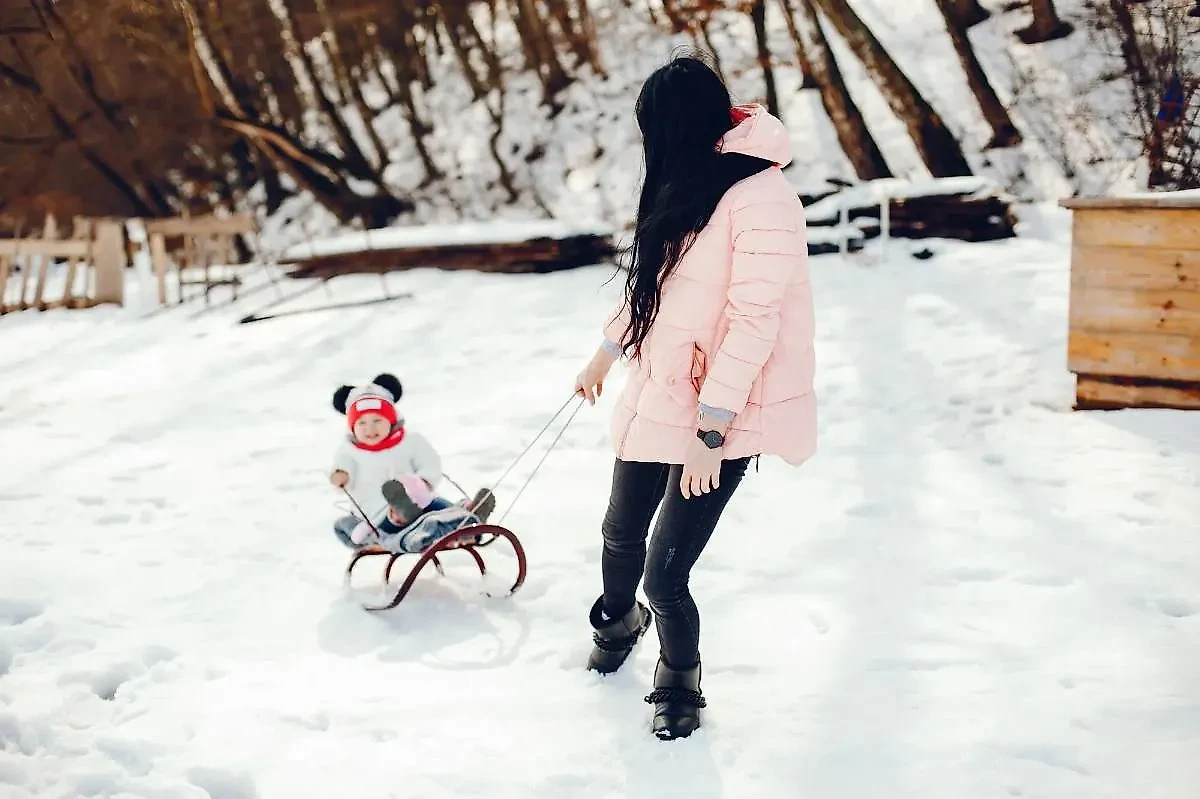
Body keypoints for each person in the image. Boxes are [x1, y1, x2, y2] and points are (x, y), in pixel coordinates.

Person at [573, 54, 817, 741]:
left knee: (666, 573)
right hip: (662, 389)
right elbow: (654, 283)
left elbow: (754, 321)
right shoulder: (686, 179)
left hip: (724, 410)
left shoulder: (762, 196)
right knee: (619, 532)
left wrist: (712, 431)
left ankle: (680, 676)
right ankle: (617, 619)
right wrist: (606, 351)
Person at [329, 373, 496, 552]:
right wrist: (341, 476)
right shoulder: (350, 451)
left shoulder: (410, 441)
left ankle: (469, 515)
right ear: (353, 427)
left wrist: (424, 482)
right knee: (397, 518)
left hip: (421, 500)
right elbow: (342, 467)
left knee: (441, 509)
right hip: (378, 514)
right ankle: (401, 514)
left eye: (378, 420)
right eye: (361, 423)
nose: (370, 428)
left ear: (391, 420)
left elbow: (429, 462)